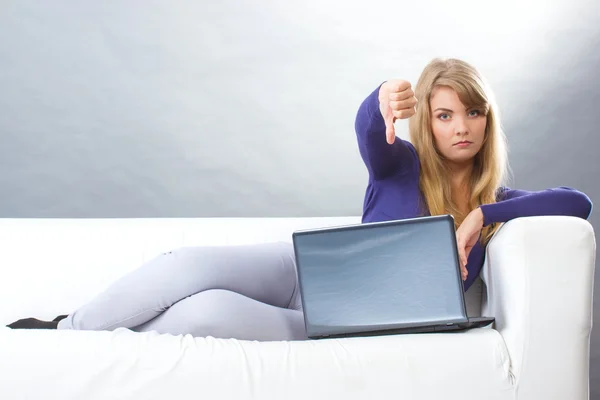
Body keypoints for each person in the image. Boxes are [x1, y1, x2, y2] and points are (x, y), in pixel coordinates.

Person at [8, 58, 592, 340]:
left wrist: (481, 216)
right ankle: (68, 333)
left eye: (472, 113)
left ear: (488, 122)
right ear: (427, 124)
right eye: (443, 115)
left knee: (204, 312)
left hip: (331, 317)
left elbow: (578, 202)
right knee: (186, 266)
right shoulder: (402, 165)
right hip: (300, 268)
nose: (460, 126)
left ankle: (112, 336)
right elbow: (370, 132)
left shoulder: (504, 203)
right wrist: (379, 100)